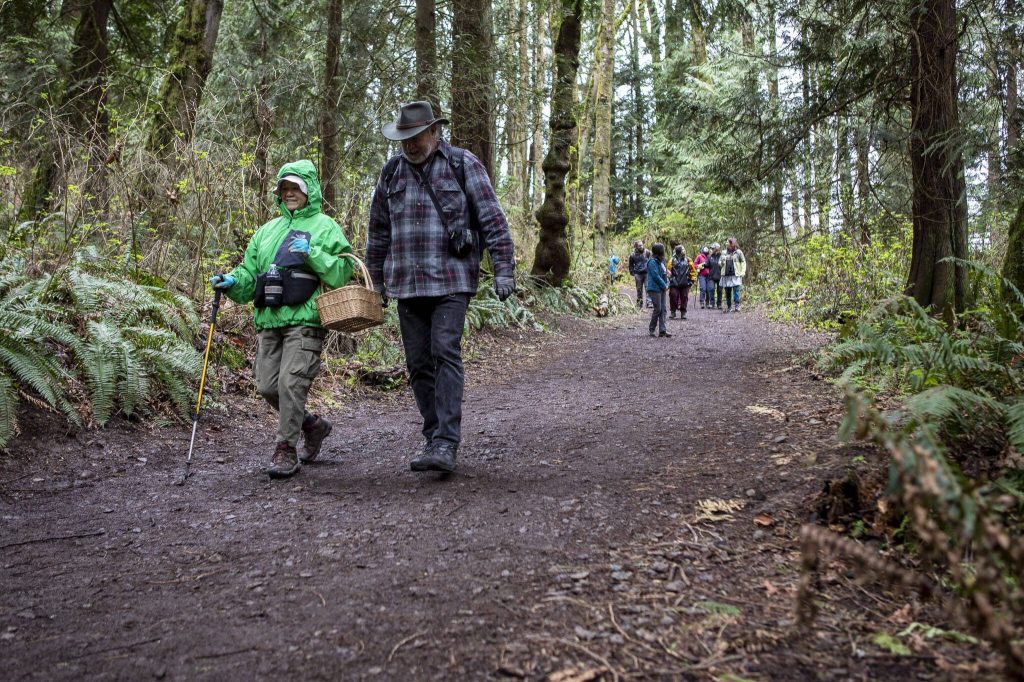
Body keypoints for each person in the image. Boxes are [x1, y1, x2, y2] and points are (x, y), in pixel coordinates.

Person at [366, 101, 516, 474]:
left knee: (444, 349)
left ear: (435, 132)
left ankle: (447, 441)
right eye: (405, 139)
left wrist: (503, 270)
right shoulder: (391, 174)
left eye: (416, 137)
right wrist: (375, 281)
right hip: (407, 283)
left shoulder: (463, 164)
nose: (411, 145)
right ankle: (434, 436)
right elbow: (378, 232)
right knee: (417, 363)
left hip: (451, 279)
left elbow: (492, 219)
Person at [210, 160, 354, 479]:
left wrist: (312, 253)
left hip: (306, 319)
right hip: (269, 319)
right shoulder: (266, 232)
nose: (289, 193)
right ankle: (312, 426)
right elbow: (250, 274)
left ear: (309, 190)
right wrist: (232, 281)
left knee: (291, 384)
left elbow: (343, 272)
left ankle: (285, 449)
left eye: (296, 188)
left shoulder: (325, 227)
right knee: (267, 387)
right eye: (284, 188)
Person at [646, 243, 671, 337]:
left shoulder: (661, 261)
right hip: (654, 288)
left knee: (663, 309)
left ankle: (662, 330)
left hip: (662, 288)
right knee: (658, 309)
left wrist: (667, 283)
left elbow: (664, 273)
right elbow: (655, 276)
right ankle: (651, 329)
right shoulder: (652, 262)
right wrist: (664, 285)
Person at [668, 245, 696, 320]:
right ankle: (673, 312)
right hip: (674, 282)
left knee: (684, 297)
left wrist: (692, 280)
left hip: (685, 282)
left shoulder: (688, 260)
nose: (684, 250)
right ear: (678, 251)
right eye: (682, 249)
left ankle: (683, 312)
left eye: (684, 249)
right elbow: (668, 270)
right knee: (673, 296)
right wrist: (669, 279)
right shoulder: (672, 260)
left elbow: (693, 270)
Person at [720, 237, 747, 312]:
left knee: (736, 290)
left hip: (736, 274)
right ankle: (729, 306)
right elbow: (720, 263)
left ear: (732, 244)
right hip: (726, 275)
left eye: (727, 242)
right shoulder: (723, 252)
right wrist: (722, 261)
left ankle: (737, 306)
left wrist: (742, 271)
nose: (726, 243)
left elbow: (743, 261)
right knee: (728, 291)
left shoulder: (738, 252)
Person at [628, 241, 647, 308]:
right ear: (636, 246)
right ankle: (639, 303)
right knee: (639, 289)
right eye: (639, 245)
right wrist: (632, 272)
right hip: (638, 274)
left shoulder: (647, 252)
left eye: (642, 245)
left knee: (648, 288)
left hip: (646, 273)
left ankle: (649, 302)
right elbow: (630, 265)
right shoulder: (632, 255)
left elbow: (651, 261)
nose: (641, 246)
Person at [708, 242, 723, 310]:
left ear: (717, 249)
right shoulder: (710, 257)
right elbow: (706, 264)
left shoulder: (722, 256)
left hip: (720, 276)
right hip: (711, 276)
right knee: (711, 289)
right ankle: (712, 303)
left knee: (719, 290)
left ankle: (719, 304)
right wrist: (700, 266)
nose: (712, 249)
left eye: (713, 248)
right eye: (712, 248)